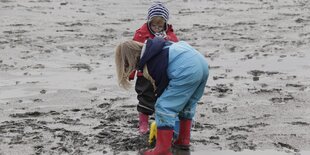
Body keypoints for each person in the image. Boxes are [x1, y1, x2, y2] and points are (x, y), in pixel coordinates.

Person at [115, 37, 209, 155]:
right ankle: (183, 140)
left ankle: (162, 150)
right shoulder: (159, 46)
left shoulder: (149, 63)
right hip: (201, 63)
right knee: (187, 104)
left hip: (186, 69)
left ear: (130, 60)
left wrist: (162, 119)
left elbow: (161, 89)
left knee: (163, 107)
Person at [131, 2, 179, 135]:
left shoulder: (169, 35)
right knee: (145, 97)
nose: (157, 29)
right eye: (154, 25)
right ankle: (143, 123)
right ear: (148, 23)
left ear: (165, 24)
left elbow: (177, 49)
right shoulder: (141, 35)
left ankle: (161, 121)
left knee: (164, 98)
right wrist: (130, 73)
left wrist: (167, 39)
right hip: (145, 74)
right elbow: (133, 55)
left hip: (162, 74)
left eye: (160, 26)